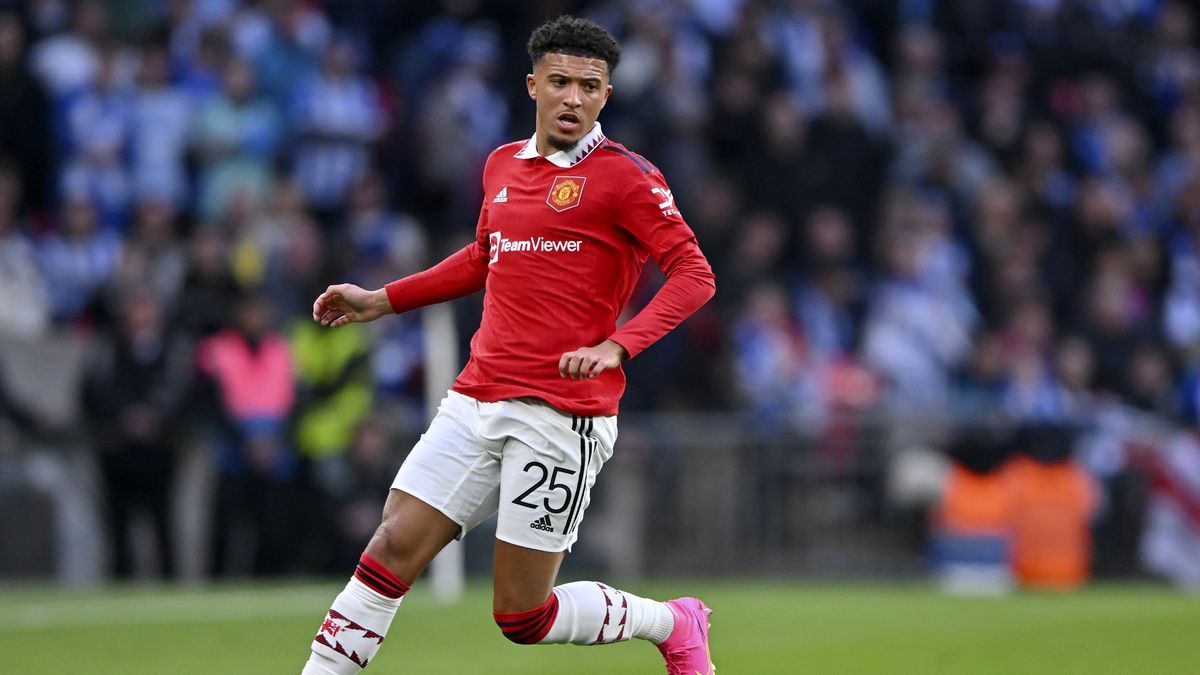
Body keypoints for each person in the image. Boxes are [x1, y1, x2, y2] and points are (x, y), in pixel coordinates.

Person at [301, 16, 717, 675]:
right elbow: (483, 256)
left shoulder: (629, 178)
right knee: (392, 543)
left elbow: (695, 274)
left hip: (563, 412)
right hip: (475, 395)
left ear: (606, 95)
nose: (574, 98)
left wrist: (620, 345)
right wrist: (384, 298)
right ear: (533, 86)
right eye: (560, 82)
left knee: (522, 616)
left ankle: (672, 620)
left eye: (589, 85)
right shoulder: (500, 164)